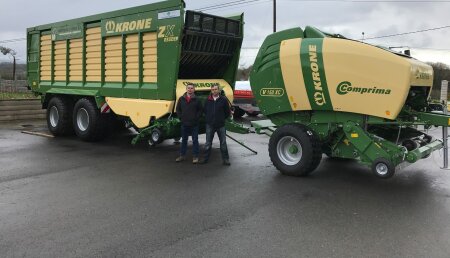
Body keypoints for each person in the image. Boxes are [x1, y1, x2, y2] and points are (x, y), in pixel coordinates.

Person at [201, 85, 231, 166]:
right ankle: (205, 158)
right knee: (208, 143)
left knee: (223, 143)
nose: (214, 91)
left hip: (220, 125)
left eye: (215, 89)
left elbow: (227, 112)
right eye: (212, 89)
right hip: (210, 125)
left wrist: (221, 119)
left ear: (218, 90)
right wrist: (209, 119)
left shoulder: (223, 100)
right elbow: (204, 111)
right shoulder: (207, 100)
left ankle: (226, 159)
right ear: (211, 91)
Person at [176, 83, 203, 164]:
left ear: (194, 89)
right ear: (186, 89)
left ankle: (195, 157)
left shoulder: (197, 99)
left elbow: (200, 110)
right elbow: (178, 109)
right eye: (188, 88)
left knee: (195, 140)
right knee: (184, 140)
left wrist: (196, 118)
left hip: (194, 124)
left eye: (191, 88)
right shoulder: (181, 99)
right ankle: (182, 155)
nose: (190, 89)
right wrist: (181, 117)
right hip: (184, 123)